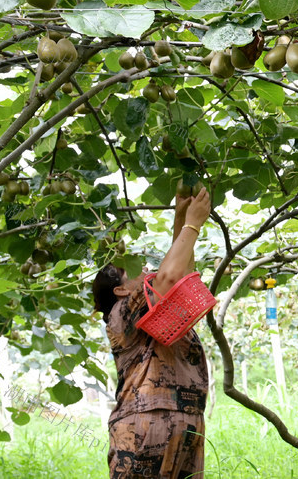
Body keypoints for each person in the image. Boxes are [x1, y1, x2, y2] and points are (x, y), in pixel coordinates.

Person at [92, 188, 212, 479]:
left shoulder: (150, 309)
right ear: (120, 289)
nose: (144, 268)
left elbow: (178, 279)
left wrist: (180, 220)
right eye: (131, 269)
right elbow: (168, 278)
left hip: (184, 420)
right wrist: (192, 225)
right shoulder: (123, 312)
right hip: (144, 423)